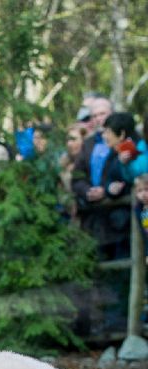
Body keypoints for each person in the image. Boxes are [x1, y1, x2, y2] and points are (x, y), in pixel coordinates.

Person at [73, 100, 132, 260]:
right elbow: (77, 177)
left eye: (102, 114)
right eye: (94, 116)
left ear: (112, 113)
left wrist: (107, 190)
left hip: (122, 217)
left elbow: (132, 173)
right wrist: (87, 191)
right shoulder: (88, 144)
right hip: (94, 221)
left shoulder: (127, 140)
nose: (98, 119)